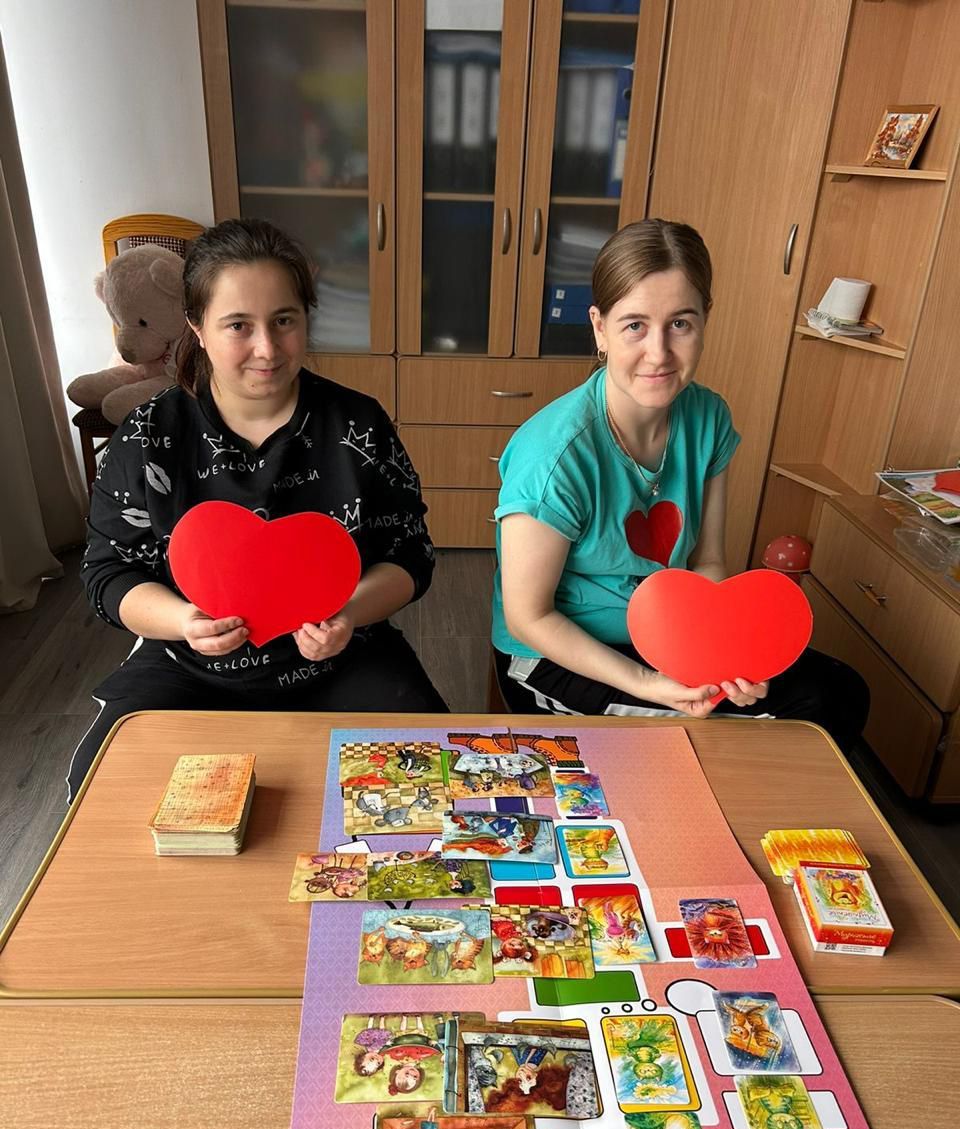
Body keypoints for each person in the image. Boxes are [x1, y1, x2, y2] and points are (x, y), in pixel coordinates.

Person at [71, 217, 445, 799]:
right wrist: (185, 623)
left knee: (428, 787)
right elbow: (108, 571)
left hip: (343, 658)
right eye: (238, 325)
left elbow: (410, 553)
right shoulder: (149, 436)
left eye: (284, 320)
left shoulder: (357, 424)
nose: (267, 349)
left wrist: (348, 613)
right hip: (189, 667)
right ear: (197, 326)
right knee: (107, 792)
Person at [491, 219, 868, 750]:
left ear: (705, 320)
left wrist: (722, 658)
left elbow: (707, 561)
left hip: (671, 634)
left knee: (841, 691)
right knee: (811, 714)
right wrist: (651, 683)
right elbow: (529, 617)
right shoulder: (553, 458)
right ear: (599, 328)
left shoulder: (708, 418)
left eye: (681, 324)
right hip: (559, 656)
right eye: (635, 325)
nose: (659, 353)